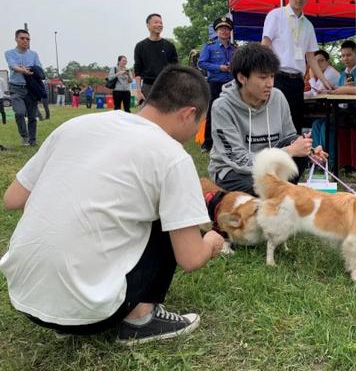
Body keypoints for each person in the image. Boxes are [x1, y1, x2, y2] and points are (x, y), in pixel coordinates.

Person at [0, 66, 225, 344]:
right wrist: (213, 241)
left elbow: (12, 198)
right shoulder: (172, 156)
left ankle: (66, 303)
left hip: (26, 298)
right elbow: (190, 258)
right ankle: (140, 319)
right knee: (170, 214)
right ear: (189, 113)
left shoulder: (77, 125)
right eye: (199, 122)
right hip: (94, 311)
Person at [208, 43, 323, 196]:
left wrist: (308, 149)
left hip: (270, 168)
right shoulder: (222, 107)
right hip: (234, 171)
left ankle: (281, 196)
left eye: (272, 76)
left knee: (297, 143)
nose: (270, 84)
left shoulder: (277, 97)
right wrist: (287, 151)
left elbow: (289, 137)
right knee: (262, 189)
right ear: (242, 77)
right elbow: (237, 159)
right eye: (263, 77)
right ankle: (280, 197)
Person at [261, 0, 333, 133]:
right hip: (277, 78)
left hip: (297, 81)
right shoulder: (276, 15)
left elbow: (311, 58)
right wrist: (265, 76)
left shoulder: (308, 25)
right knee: (275, 124)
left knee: (294, 124)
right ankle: (274, 157)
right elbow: (265, 46)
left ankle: (293, 158)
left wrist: (325, 81)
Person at [198, 16, 235, 152]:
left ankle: (229, 141)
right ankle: (208, 143)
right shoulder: (209, 46)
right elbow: (201, 63)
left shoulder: (234, 48)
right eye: (221, 29)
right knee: (213, 112)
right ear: (216, 31)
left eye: (227, 29)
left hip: (231, 84)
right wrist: (219, 67)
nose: (224, 32)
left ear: (230, 32)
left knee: (231, 112)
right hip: (215, 83)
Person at [4, 29, 42, 146]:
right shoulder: (9, 53)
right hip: (16, 88)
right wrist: (23, 70)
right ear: (16, 39)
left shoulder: (34, 54)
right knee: (20, 113)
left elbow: (39, 68)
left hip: (31, 88)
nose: (25, 41)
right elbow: (13, 66)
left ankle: (33, 139)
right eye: (22, 38)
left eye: (27, 39)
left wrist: (29, 69)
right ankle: (24, 136)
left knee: (32, 116)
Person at [134, 13, 179, 104]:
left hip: (166, 87)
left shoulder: (169, 46)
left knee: (166, 115)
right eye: (156, 22)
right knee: (147, 117)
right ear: (148, 25)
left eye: (161, 23)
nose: (159, 25)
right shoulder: (140, 46)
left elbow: (175, 70)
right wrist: (138, 92)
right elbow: (137, 71)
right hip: (148, 87)